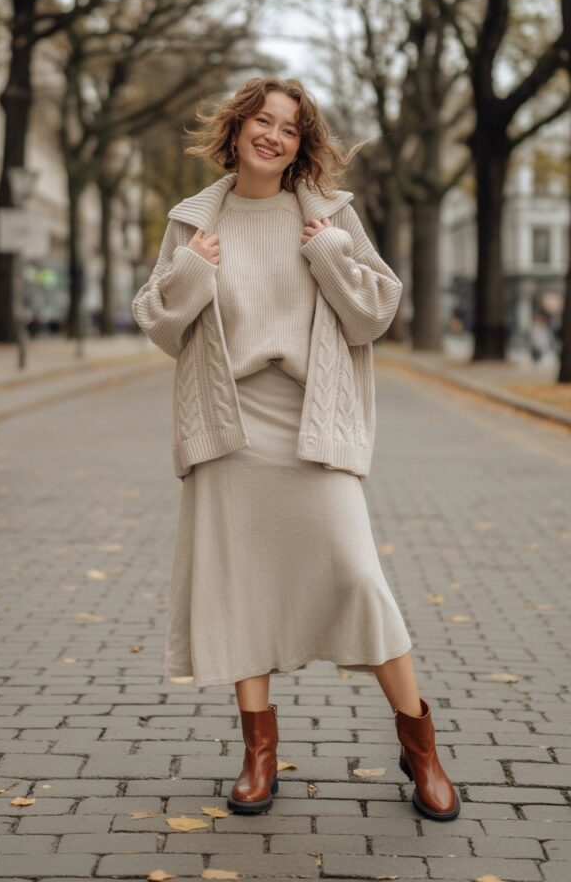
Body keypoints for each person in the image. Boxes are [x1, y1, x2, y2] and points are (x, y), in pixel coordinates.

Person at [132, 76, 459, 823]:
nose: (272, 135)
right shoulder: (194, 221)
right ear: (237, 127)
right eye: (261, 120)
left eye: (288, 127)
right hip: (230, 424)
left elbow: (375, 312)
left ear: (301, 144)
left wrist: (332, 256)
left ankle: (421, 746)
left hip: (310, 419)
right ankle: (259, 756)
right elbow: (157, 321)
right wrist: (193, 270)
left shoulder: (329, 215)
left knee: (356, 575)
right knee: (242, 587)